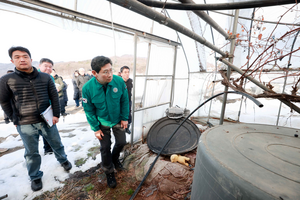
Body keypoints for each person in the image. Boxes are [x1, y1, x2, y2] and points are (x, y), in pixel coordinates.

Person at [0, 46, 72, 192]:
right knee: (31, 152)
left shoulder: (45, 77)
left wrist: (56, 115)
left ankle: (63, 160)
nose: (22, 59)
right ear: (12, 60)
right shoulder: (7, 80)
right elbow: (4, 101)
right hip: (25, 122)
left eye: (25, 56)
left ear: (31, 59)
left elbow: (54, 97)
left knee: (56, 142)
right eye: (17, 57)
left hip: (46, 119)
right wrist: (14, 118)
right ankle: (35, 176)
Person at [82, 56, 129, 188]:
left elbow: (125, 100)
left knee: (121, 142)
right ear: (95, 73)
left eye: (111, 70)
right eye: (105, 72)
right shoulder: (87, 88)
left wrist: (125, 117)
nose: (110, 75)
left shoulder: (119, 82)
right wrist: (96, 128)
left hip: (117, 119)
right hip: (102, 122)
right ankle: (109, 171)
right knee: (105, 147)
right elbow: (89, 111)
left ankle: (114, 159)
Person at [39, 58, 56, 155]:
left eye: (50, 67)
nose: (48, 68)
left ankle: (49, 148)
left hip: (48, 109)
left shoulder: (50, 78)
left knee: (49, 128)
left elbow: (52, 95)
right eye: (46, 66)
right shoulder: (34, 76)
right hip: (36, 110)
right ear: (40, 66)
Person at [120, 66, 133, 134]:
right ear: (121, 73)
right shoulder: (119, 82)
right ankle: (121, 129)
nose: (127, 74)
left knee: (129, 115)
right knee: (121, 116)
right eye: (125, 72)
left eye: (128, 72)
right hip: (120, 102)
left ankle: (127, 128)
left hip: (128, 101)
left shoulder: (130, 81)